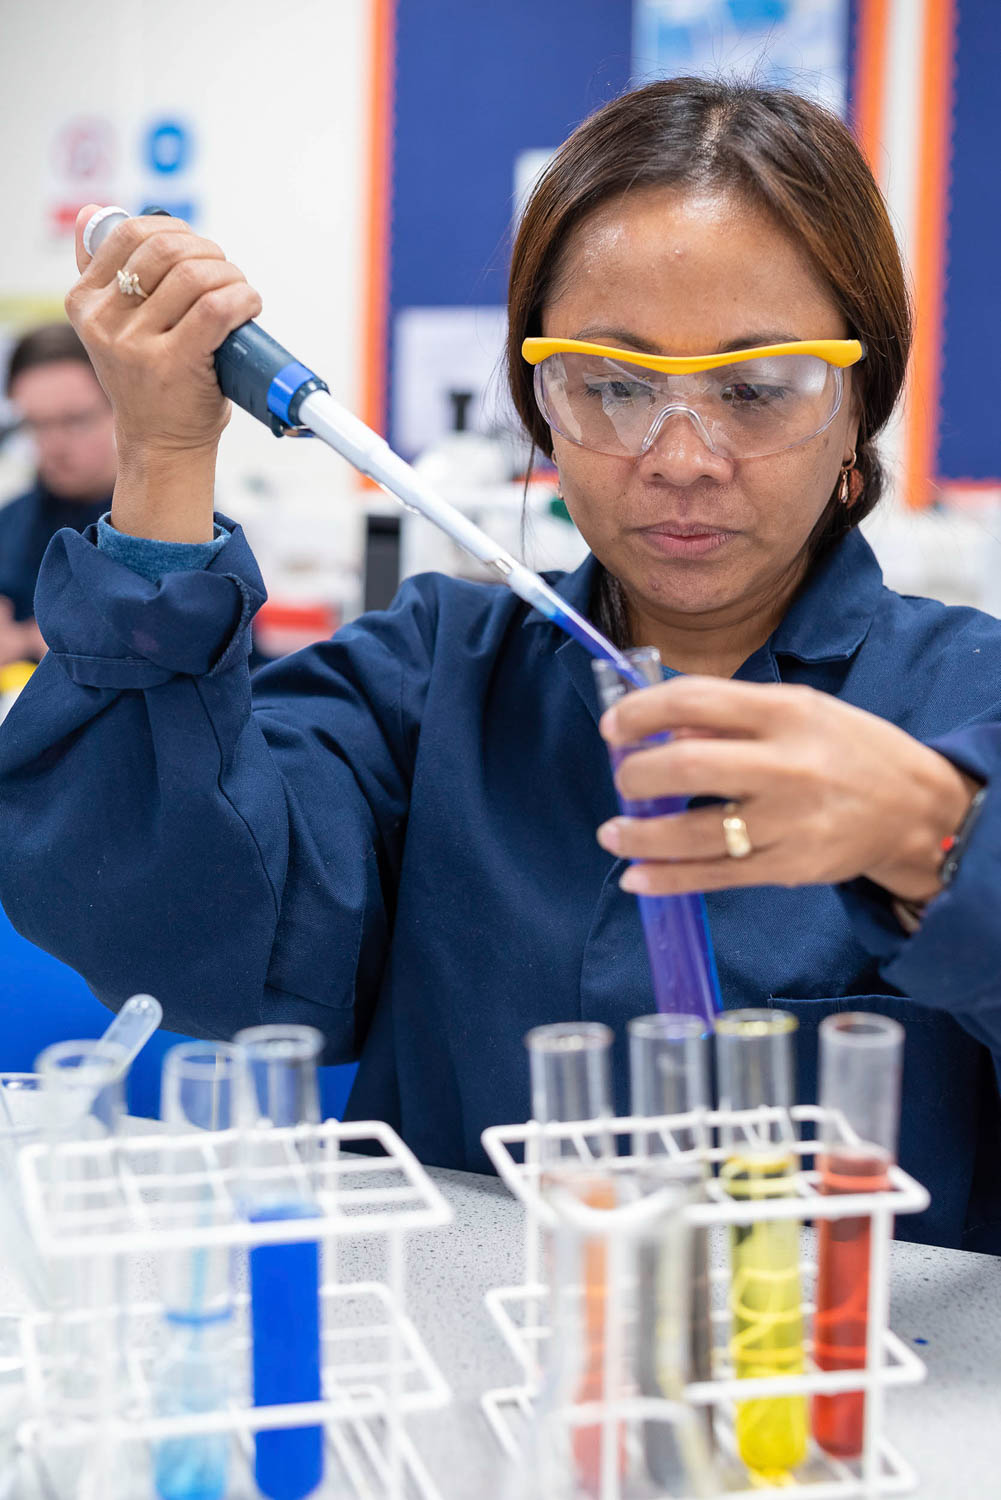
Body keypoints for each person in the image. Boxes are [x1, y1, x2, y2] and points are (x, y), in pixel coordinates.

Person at [0, 78, 998, 1252]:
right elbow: (160, 931)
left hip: (851, 1410)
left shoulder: (966, 703)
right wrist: (164, 456)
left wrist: (941, 850)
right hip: (475, 1399)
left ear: (855, 401)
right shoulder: (429, 684)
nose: (680, 456)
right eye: (614, 385)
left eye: (754, 387)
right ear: (538, 401)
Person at [0, 323, 117, 667]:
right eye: (37, 424)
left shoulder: (171, 527)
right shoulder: (9, 522)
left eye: (75, 420)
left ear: (122, 408)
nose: (54, 445)